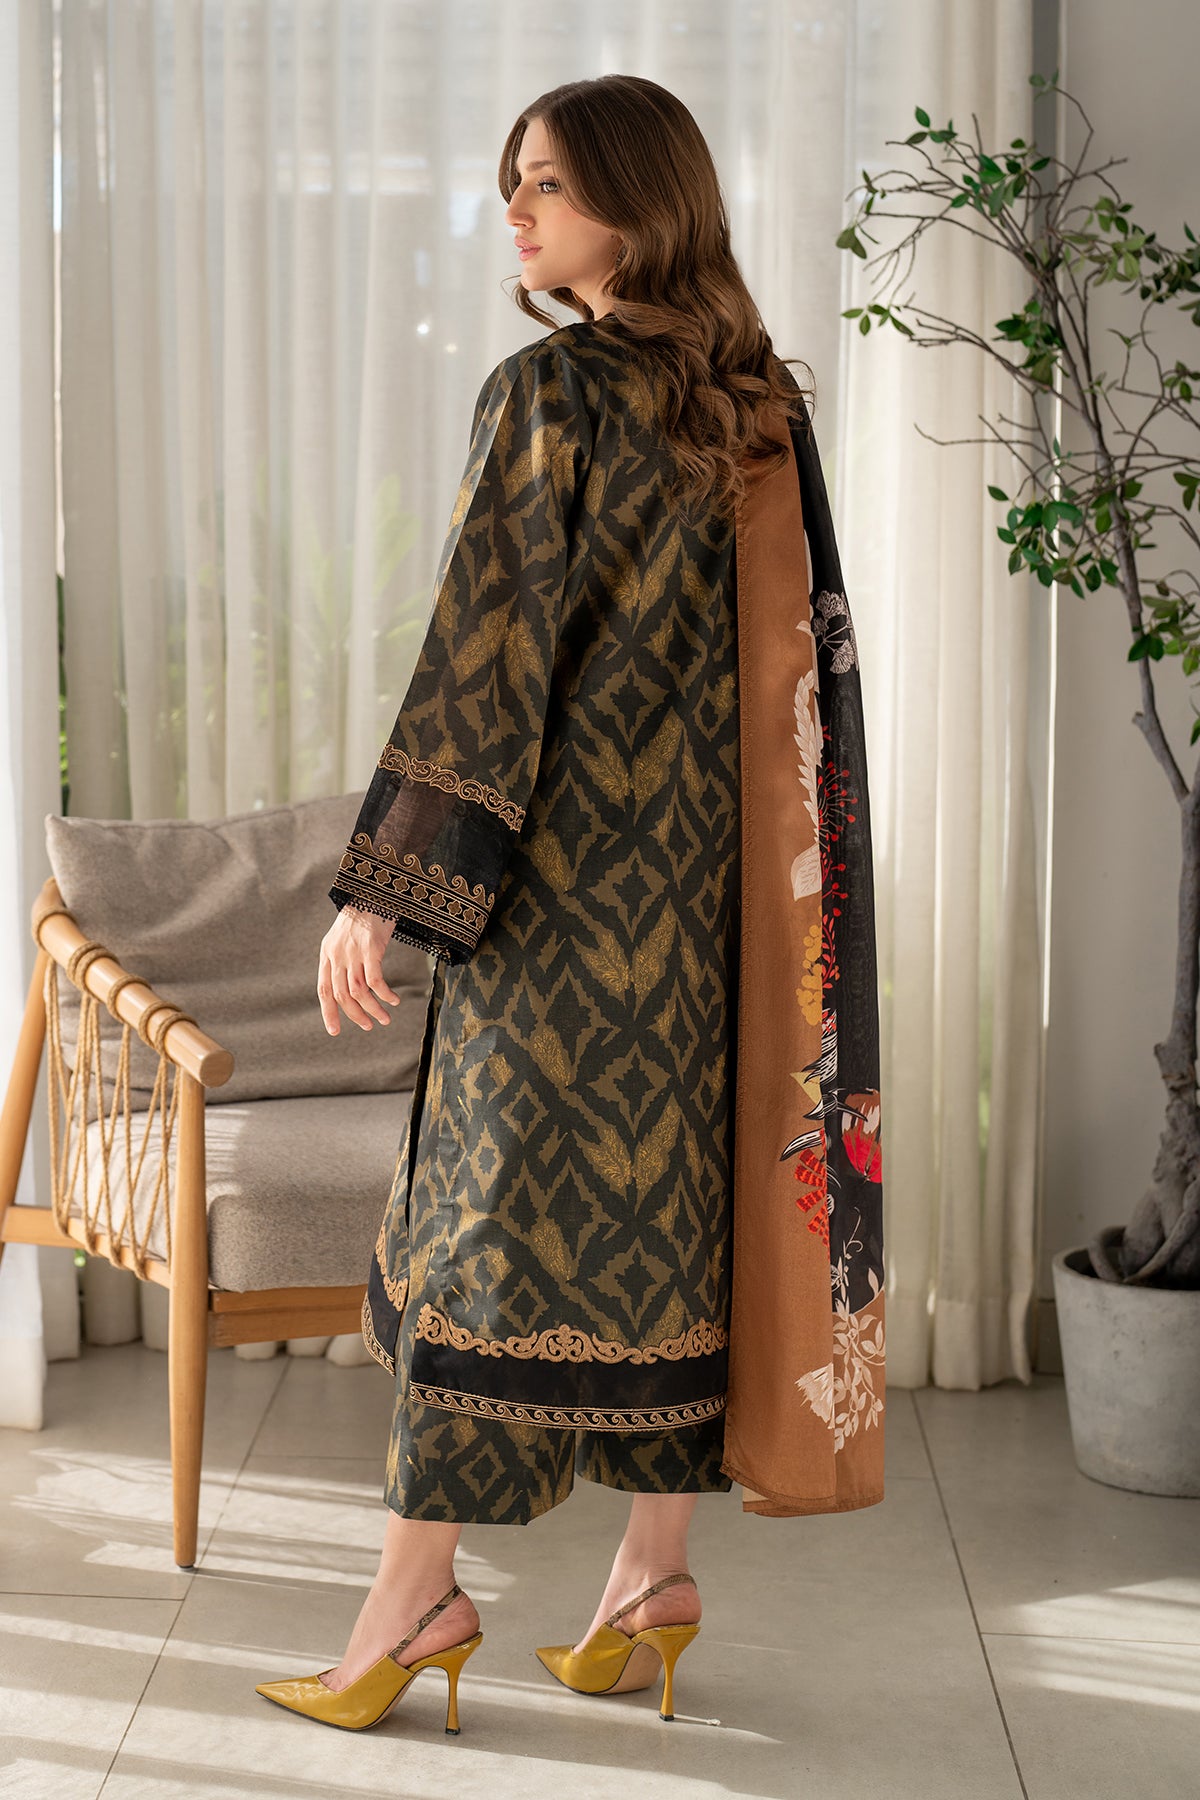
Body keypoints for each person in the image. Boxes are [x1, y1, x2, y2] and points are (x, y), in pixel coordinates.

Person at [255, 72, 885, 1738]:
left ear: (638, 192)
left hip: (555, 917)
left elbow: (489, 653)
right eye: (510, 180)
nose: (514, 209)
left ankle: (412, 1602)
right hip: (714, 925)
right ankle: (649, 1582)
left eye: (547, 181)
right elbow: (804, 684)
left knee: (480, 1234)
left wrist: (383, 894)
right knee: (670, 1226)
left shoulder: (547, 391)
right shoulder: (758, 406)